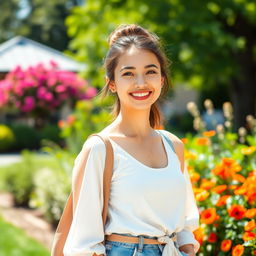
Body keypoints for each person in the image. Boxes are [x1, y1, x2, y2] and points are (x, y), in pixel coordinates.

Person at [63, 24, 200, 256]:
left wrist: (187, 248)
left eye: (150, 71)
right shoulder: (101, 148)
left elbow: (184, 220)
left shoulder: (173, 145)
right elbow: (85, 243)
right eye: (128, 73)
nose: (140, 83)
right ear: (112, 83)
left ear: (162, 80)